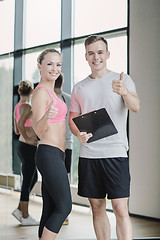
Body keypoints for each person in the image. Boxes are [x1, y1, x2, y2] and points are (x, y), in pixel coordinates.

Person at [69, 35, 140, 240]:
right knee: (97, 207)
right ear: (86, 57)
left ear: (107, 54)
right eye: (91, 53)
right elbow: (73, 119)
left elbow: (135, 107)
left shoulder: (122, 79)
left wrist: (124, 92)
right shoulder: (79, 87)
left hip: (116, 152)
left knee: (120, 207)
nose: (96, 57)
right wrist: (78, 133)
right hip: (89, 155)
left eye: (100, 52)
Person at [31, 48, 72, 240]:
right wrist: (47, 116)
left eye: (58, 64)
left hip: (57, 154)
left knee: (50, 207)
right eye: (49, 64)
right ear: (39, 66)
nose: (54, 68)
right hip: (48, 153)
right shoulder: (40, 93)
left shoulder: (53, 93)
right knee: (65, 206)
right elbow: (38, 131)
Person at [12, 80, 39, 226]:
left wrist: (25, 135)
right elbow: (21, 125)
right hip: (28, 147)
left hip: (22, 146)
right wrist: (29, 137)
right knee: (28, 180)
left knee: (33, 177)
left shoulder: (17, 106)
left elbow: (16, 129)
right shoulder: (27, 106)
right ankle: (25, 216)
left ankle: (19, 209)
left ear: (19, 92)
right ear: (31, 92)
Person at [54, 73, 73, 225]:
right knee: (64, 179)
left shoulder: (50, 99)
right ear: (63, 82)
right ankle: (64, 213)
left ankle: (58, 211)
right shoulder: (69, 98)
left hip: (54, 145)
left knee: (53, 180)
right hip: (69, 145)